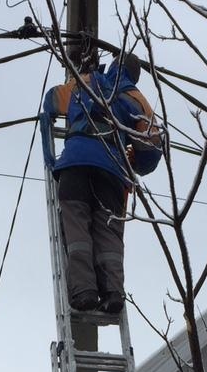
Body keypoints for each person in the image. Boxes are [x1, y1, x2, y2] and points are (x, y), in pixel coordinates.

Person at [41, 53, 163, 314]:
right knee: (109, 236)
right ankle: (112, 293)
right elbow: (151, 154)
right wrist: (134, 160)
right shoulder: (136, 100)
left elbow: (50, 101)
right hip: (111, 173)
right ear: (134, 75)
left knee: (77, 233)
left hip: (74, 166)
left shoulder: (86, 83)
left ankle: (84, 291)